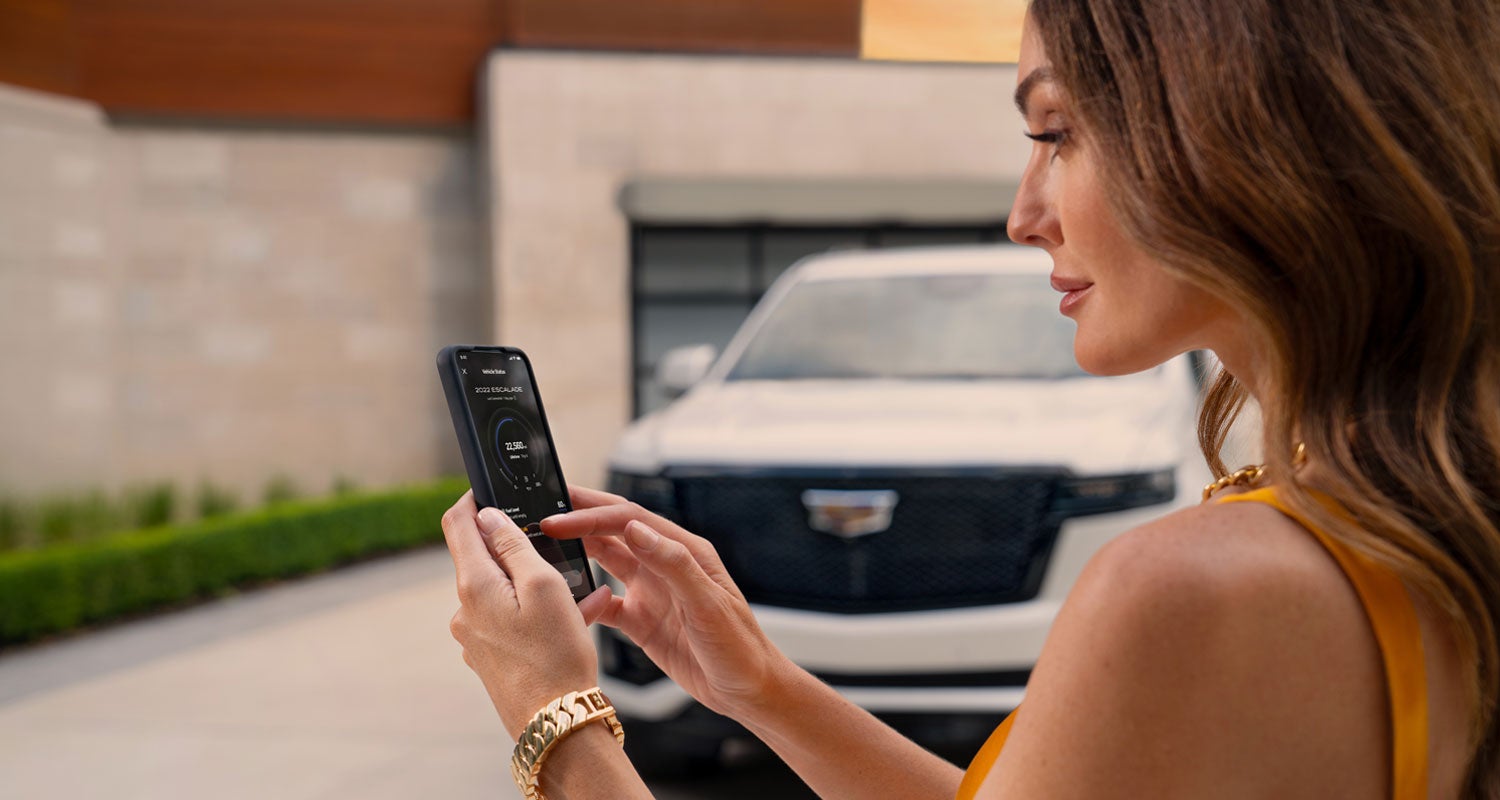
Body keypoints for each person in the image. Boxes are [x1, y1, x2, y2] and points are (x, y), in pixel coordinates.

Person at [439, 0, 1500, 796]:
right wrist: (759, 680)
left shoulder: (1196, 592)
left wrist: (553, 712)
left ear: (1240, 133)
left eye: (1054, 133)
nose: (1022, 212)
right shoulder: (1416, 522)